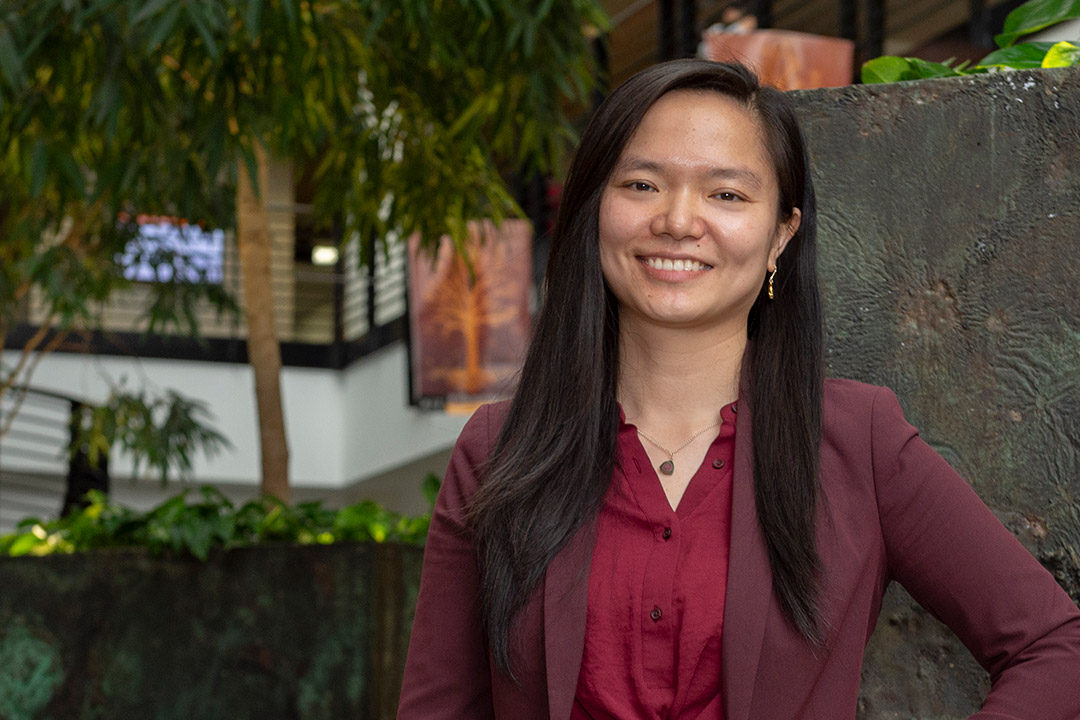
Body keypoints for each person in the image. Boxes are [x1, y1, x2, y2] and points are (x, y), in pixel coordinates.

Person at [397, 59, 1080, 720]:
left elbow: (1057, 647)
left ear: (782, 233)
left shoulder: (859, 443)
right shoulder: (498, 449)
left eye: (726, 194)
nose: (677, 220)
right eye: (641, 184)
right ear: (593, 209)